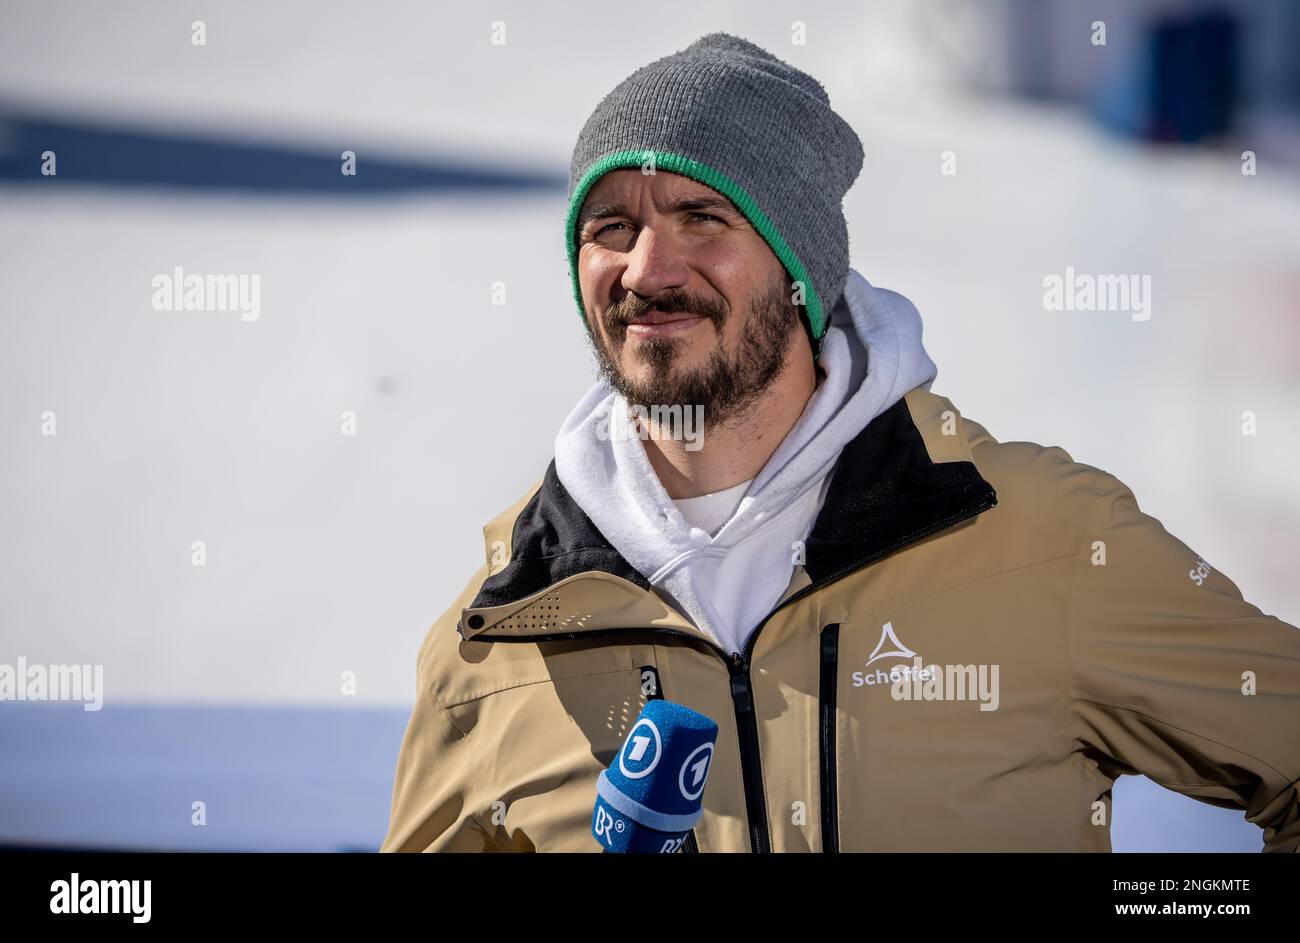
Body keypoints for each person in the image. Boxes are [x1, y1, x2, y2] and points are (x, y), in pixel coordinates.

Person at [381, 32, 1300, 852]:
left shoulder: (1040, 537)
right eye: (609, 228)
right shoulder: (501, 634)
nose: (647, 270)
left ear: (799, 271)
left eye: (704, 218)